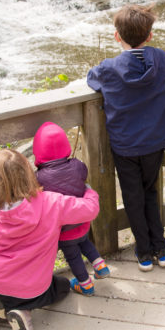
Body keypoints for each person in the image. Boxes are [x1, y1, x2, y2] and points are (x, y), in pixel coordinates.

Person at [86, 4, 165, 271]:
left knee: (132, 196)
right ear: (150, 35)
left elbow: (91, 79)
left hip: (125, 145)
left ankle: (143, 251)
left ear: (117, 36)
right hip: (154, 141)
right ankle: (161, 248)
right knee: (150, 190)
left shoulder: (108, 68)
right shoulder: (161, 59)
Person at [0, 148, 100, 330]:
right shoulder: (52, 203)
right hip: (35, 290)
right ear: (28, 172)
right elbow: (91, 210)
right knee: (62, 287)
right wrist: (88, 191)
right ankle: (23, 312)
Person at [32, 121, 110, 296]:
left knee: (73, 256)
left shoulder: (38, 178)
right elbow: (83, 176)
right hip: (82, 221)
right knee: (85, 242)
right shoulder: (76, 166)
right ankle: (100, 265)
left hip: (63, 230)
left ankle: (85, 285)